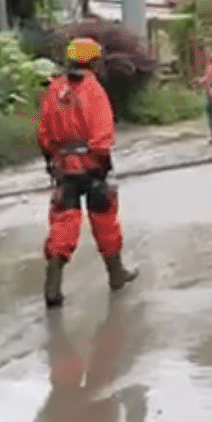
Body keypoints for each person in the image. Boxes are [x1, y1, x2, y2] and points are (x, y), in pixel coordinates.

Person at [37, 37, 138, 307]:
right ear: (93, 61)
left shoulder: (54, 89)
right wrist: (102, 163)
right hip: (93, 167)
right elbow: (103, 134)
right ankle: (116, 274)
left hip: (63, 169)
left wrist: (52, 160)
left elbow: (44, 133)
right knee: (105, 220)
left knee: (63, 224)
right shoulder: (93, 90)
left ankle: (53, 284)